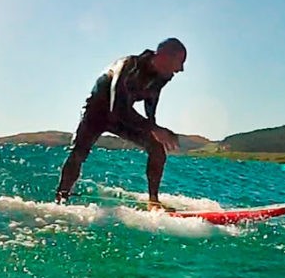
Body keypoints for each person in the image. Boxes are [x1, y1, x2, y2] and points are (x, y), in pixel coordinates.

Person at [54, 37, 186, 209]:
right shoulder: (128, 66)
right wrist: (154, 128)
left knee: (156, 147)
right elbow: (117, 108)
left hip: (121, 118)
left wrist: (154, 129)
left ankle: (153, 202)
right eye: (180, 61)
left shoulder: (163, 76)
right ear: (164, 56)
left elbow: (151, 102)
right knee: (78, 153)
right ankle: (61, 199)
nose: (181, 69)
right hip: (97, 112)